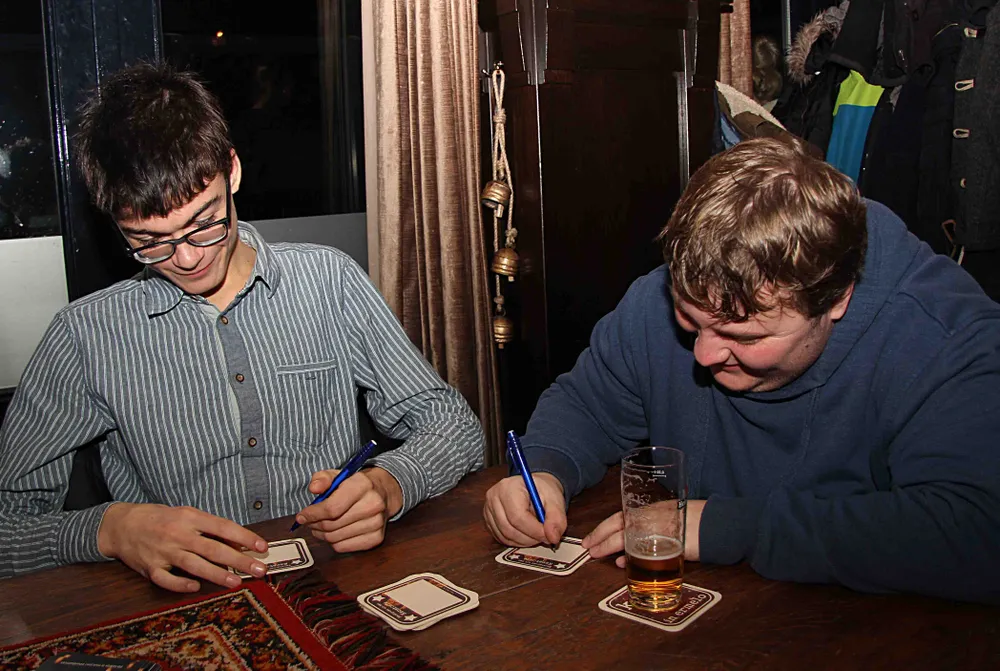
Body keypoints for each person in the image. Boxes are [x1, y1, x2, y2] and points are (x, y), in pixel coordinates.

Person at [0, 63, 484, 592]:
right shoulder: (83, 336)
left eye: (203, 222)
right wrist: (110, 529)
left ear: (231, 171)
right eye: (149, 241)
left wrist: (390, 484)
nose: (187, 258)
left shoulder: (328, 281)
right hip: (184, 604)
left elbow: (455, 426)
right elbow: (7, 529)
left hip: (337, 581)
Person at [483, 136, 1000, 604]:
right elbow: (586, 405)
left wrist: (727, 527)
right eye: (690, 320)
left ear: (836, 298)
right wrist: (545, 471)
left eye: (744, 337)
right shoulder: (666, 297)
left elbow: (978, 533)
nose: (704, 354)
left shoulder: (946, 337)